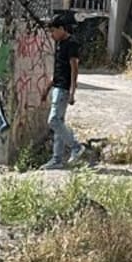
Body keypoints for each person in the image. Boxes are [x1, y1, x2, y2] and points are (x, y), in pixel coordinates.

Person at [43, 13, 83, 169]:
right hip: (57, 87)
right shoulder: (59, 44)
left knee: (53, 121)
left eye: (53, 31)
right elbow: (58, 69)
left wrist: (72, 91)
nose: (52, 35)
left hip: (64, 89)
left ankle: (76, 146)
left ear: (61, 28)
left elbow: (74, 69)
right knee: (58, 124)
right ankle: (57, 159)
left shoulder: (71, 44)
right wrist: (47, 88)